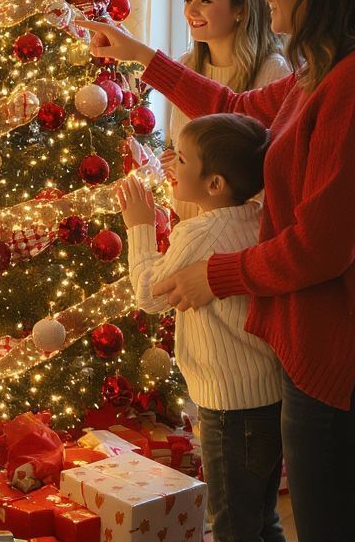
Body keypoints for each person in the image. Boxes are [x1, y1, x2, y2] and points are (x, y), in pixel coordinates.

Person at [79, 0, 355, 541]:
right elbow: (236, 110)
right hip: (328, 354)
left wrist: (212, 276)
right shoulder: (327, 69)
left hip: (352, 363)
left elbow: (320, 247)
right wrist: (143, 58)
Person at [120, 113, 284, 542]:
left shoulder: (198, 234)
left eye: (184, 161)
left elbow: (150, 295)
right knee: (264, 519)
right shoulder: (257, 219)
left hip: (231, 408)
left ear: (214, 184)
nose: (171, 167)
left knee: (232, 523)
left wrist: (139, 226)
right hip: (269, 396)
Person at [163, 0, 288, 224]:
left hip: (239, 230)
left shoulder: (273, 72)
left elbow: (271, 171)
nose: (191, 10)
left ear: (240, 9)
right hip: (185, 223)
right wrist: (175, 160)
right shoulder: (186, 67)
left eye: (205, 1)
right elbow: (182, 144)